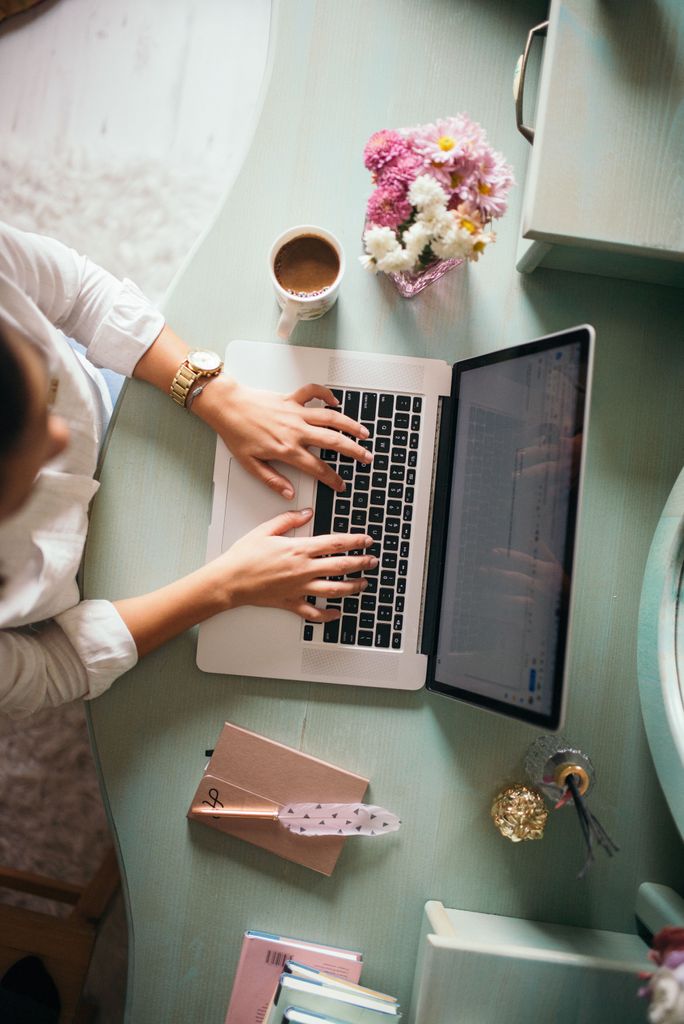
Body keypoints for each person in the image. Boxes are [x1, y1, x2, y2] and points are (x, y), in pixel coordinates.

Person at [0, 221, 376, 718]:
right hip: (79, 606)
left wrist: (212, 393)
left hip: (124, 404)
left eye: (45, 395)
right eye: (34, 448)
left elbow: (74, 293)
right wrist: (227, 585)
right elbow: (53, 667)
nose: (61, 434)